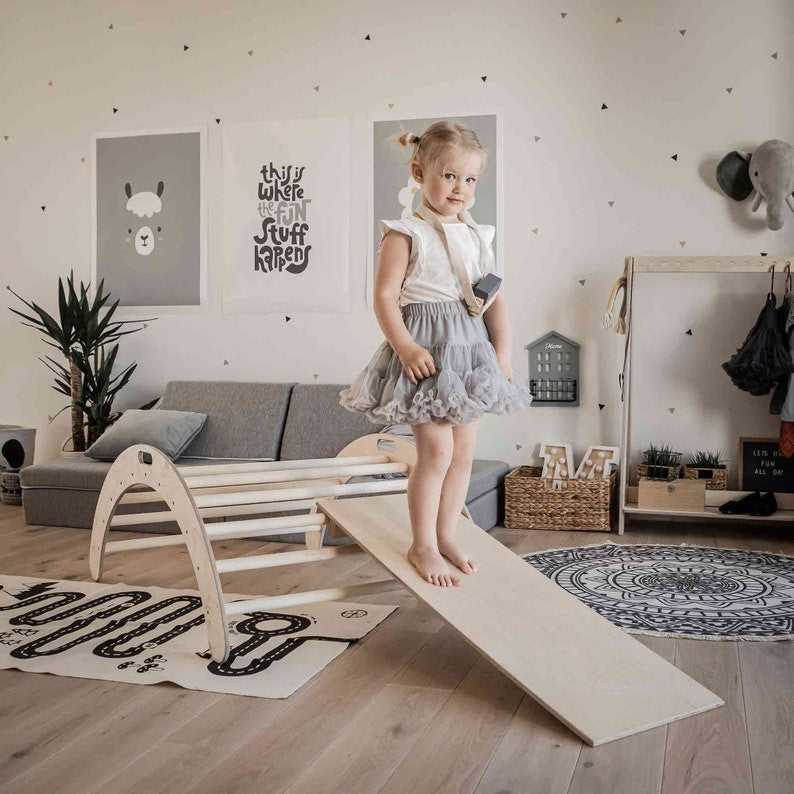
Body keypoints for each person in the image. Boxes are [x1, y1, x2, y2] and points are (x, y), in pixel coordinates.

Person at [339, 120, 532, 587]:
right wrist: (405, 346)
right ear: (419, 172)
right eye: (449, 176)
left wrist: (501, 356)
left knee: (464, 451)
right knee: (436, 452)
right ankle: (421, 543)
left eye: (469, 179)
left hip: (471, 354)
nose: (460, 188)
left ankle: (447, 533)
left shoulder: (477, 236)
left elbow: (495, 300)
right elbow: (385, 297)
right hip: (427, 352)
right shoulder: (404, 233)